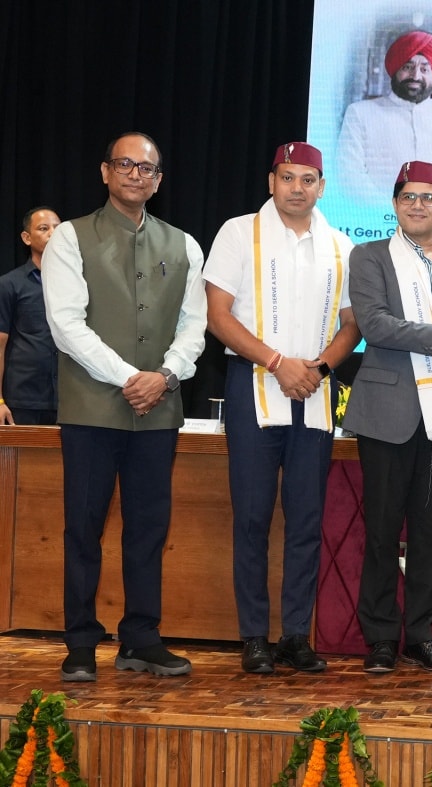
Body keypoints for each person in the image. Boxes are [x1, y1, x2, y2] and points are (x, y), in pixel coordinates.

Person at [42, 132, 207, 681]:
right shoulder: (70, 237)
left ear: (158, 181)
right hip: (92, 409)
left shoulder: (184, 245)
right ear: (105, 172)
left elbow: (195, 326)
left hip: (158, 410)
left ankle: (141, 639)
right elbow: (66, 325)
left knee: (148, 530)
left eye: (146, 168)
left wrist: (164, 376)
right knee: (83, 528)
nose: (136, 174)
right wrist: (131, 377)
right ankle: (80, 643)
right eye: (125, 164)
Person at [204, 142, 360, 675]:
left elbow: (352, 324)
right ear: (271, 181)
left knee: (306, 518)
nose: (297, 187)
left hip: (314, 392)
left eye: (308, 179)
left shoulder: (340, 245)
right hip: (253, 386)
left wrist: (318, 367)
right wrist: (277, 362)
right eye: (288, 177)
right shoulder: (238, 232)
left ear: (322, 186)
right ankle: (254, 636)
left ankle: (296, 635)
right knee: (252, 516)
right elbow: (218, 316)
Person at [344, 160, 432, 674]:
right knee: (382, 531)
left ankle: (421, 634)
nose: (418, 205)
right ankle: (381, 637)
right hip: (390, 413)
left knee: (429, 533)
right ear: (395, 204)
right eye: (408, 197)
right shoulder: (369, 256)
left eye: (428, 197)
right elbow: (375, 326)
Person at [337, 30, 432, 203]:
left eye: (424, 69)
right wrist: (393, 212)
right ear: (395, 70)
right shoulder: (360, 114)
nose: (416, 76)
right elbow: (349, 176)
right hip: (378, 217)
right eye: (407, 67)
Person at [0, 207, 61, 425]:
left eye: (57, 228)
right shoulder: (10, 284)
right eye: (44, 228)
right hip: (23, 399)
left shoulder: (77, 283)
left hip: (70, 400)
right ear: (27, 238)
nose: (52, 233)